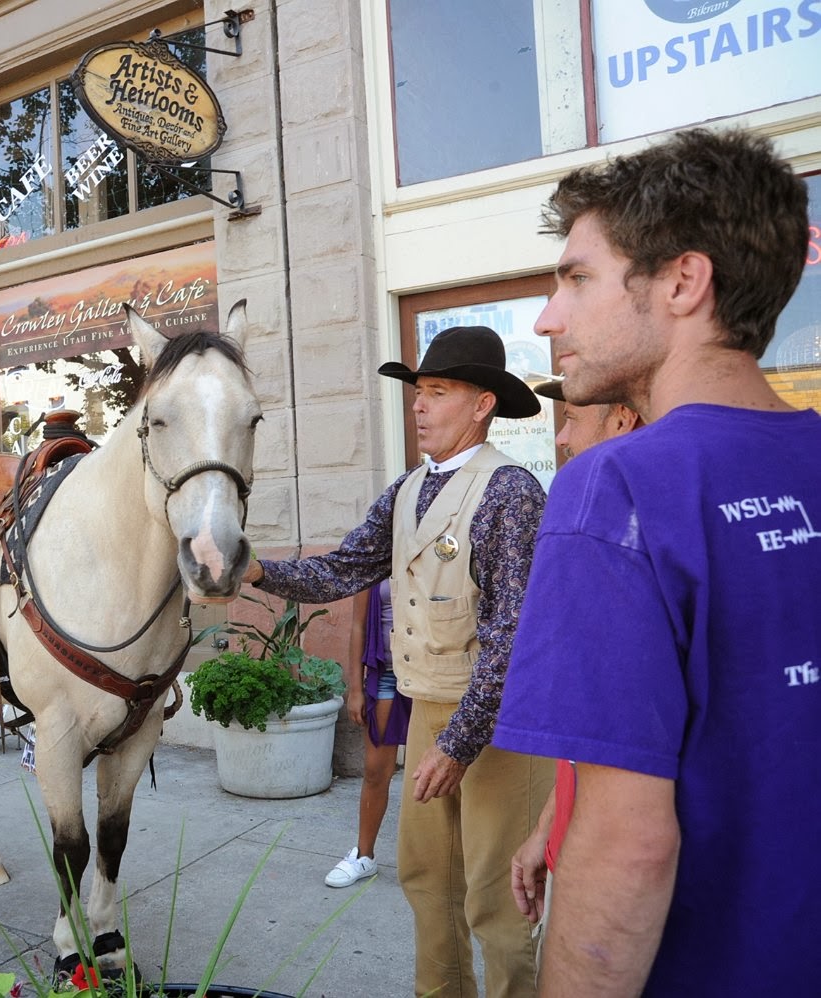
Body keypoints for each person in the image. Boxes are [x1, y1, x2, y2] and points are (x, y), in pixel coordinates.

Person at [493, 128, 820, 995]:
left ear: (683, 281)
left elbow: (626, 845)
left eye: (577, 277)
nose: (547, 317)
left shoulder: (619, 488)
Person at [242, 324, 551, 998]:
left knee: (498, 903)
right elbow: (341, 569)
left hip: (499, 725)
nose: (419, 404)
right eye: (417, 392)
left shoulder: (512, 492)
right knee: (427, 880)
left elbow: (514, 635)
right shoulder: (408, 489)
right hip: (429, 712)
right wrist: (256, 570)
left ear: (482, 405)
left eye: (437, 392)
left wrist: (460, 743)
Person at [506, 375, 640, 956]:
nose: (559, 439)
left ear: (621, 421)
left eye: (572, 421)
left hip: (608, 879)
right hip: (573, 846)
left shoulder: (616, 535)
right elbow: (586, 741)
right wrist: (545, 831)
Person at [324, 580, 411, 888]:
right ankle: (364, 855)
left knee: (432, 773)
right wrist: (356, 689)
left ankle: (439, 862)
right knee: (375, 771)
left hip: (434, 678)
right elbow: (358, 626)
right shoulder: (375, 553)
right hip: (387, 674)